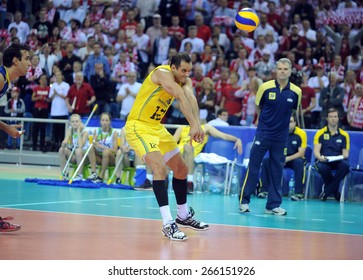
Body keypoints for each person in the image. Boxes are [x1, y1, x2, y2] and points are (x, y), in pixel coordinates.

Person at [124, 52, 209, 241]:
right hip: (139, 126)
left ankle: (183, 215)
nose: (187, 74)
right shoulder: (162, 73)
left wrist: (197, 124)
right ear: (173, 68)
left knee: (181, 169)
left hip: (156, 128)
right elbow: (179, 95)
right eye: (184, 70)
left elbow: (191, 99)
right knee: (159, 168)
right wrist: (192, 125)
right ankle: (168, 223)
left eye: (189, 71)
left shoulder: (184, 80)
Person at [239, 58, 302, 216]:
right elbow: (258, 107)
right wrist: (266, 123)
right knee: (253, 166)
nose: (282, 71)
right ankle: (244, 201)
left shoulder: (296, 92)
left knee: (277, 170)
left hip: (281, 138)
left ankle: (273, 205)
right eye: (280, 69)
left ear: (290, 71)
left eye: (285, 69)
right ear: (276, 70)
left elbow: (292, 111)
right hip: (263, 134)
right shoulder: (265, 87)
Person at [0, 43, 31, 232]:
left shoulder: (7, 80)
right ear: (15, 60)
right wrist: (6, 128)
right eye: (27, 58)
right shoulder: (1, 78)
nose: (29, 63)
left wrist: (7, 129)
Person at [174, 124, 243, 194]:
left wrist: (237, 139)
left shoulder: (205, 128)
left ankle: (189, 182)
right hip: (177, 154)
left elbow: (223, 136)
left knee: (187, 146)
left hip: (191, 154)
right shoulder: (182, 128)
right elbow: (172, 143)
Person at [258, 115, 307, 201]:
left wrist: (287, 159)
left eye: (291, 122)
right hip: (279, 158)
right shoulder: (278, 132)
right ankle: (264, 190)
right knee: (266, 162)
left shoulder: (301, 134)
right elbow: (272, 149)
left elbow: (301, 153)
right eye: (287, 122)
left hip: (293, 159)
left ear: (295, 123)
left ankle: (299, 193)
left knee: (299, 162)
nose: (288, 124)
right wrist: (279, 159)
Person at [313, 108, 350, 201]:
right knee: (322, 167)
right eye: (331, 117)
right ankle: (335, 192)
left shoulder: (344, 135)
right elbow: (316, 151)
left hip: (338, 160)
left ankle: (327, 191)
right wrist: (320, 157)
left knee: (345, 166)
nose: (333, 119)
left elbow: (345, 154)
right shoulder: (320, 133)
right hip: (324, 160)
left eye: (335, 116)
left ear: (338, 118)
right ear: (327, 119)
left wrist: (339, 157)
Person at [59, 113, 96, 181]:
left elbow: (81, 145)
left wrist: (79, 131)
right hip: (75, 156)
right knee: (61, 149)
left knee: (78, 150)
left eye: (77, 121)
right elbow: (65, 141)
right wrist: (64, 143)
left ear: (80, 122)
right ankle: (64, 173)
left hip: (84, 157)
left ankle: (80, 175)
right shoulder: (69, 130)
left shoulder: (85, 132)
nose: (75, 123)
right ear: (70, 123)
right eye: (73, 122)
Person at [87, 112, 118, 183]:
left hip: (111, 159)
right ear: (100, 121)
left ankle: (100, 177)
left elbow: (115, 150)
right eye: (103, 120)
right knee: (90, 147)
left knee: (106, 152)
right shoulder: (97, 131)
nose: (104, 122)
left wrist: (102, 147)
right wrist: (94, 144)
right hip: (100, 158)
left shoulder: (114, 132)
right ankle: (94, 173)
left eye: (107, 120)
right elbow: (94, 145)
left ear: (110, 121)